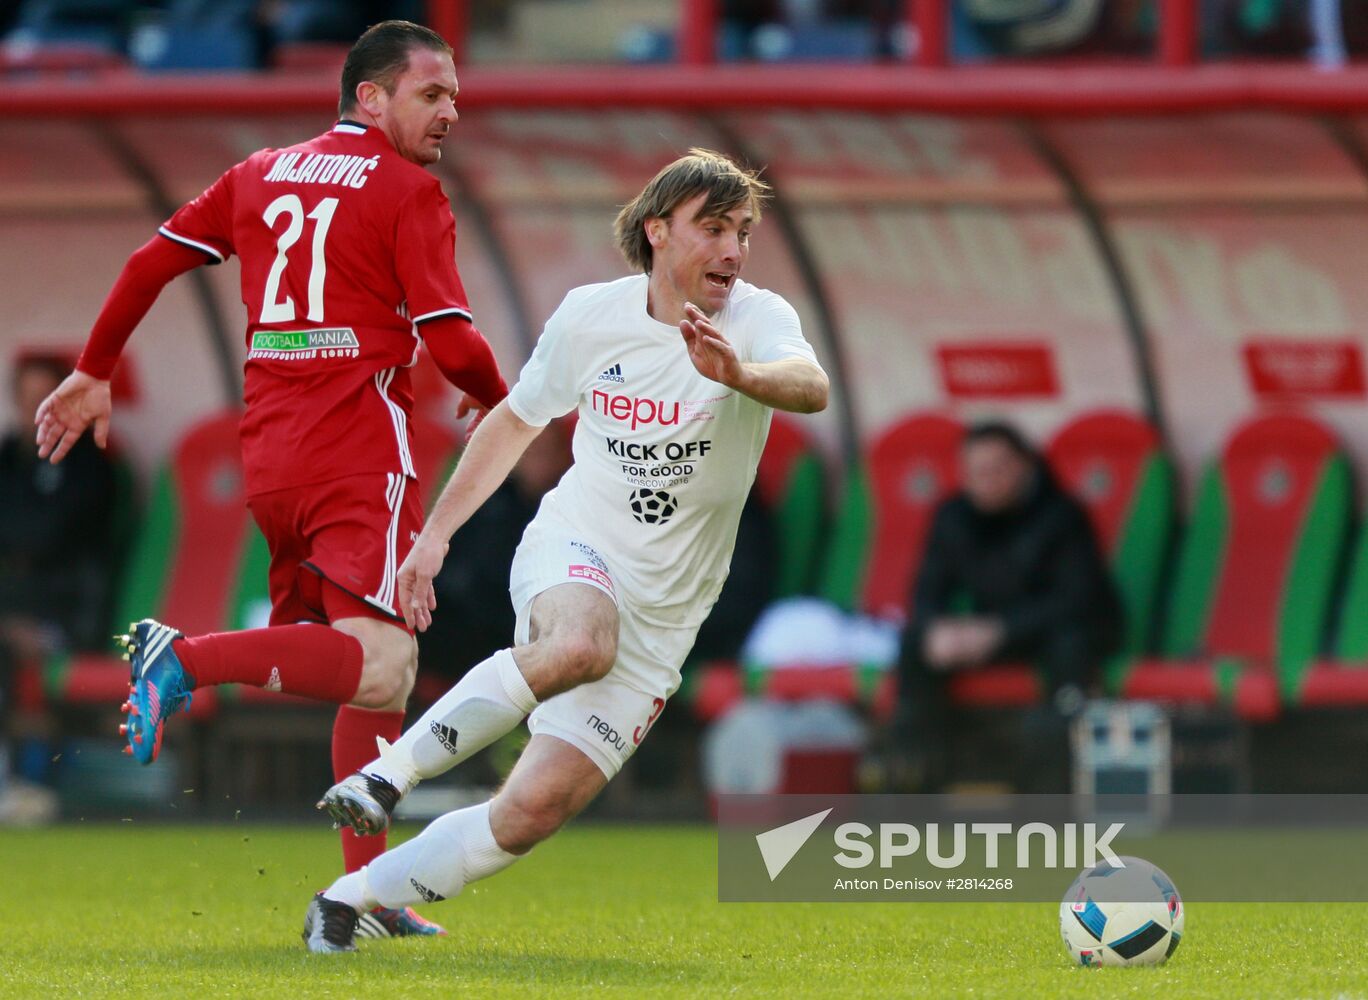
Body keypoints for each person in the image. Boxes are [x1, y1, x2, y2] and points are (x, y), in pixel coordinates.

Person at [33, 20, 508, 938]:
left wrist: (93, 369)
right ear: (369, 96)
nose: (452, 110)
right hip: (357, 450)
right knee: (387, 658)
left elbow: (150, 261)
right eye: (432, 93)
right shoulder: (408, 191)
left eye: (455, 94)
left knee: (369, 678)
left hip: (273, 457)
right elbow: (450, 338)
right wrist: (503, 399)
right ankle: (188, 660)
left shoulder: (257, 173)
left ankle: (360, 898)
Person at [301, 148, 829, 952]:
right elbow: (515, 420)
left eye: (744, 232)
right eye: (714, 228)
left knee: (529, 813)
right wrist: (433, 537)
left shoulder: (754, 321)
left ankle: (350, 898)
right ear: (658, 231)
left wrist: (742, 375)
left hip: (667, 616)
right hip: (577, 547)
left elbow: (810, 386)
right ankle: (385, 777)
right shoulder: (590, 315)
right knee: (581, 642)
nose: (733, 250)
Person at [894, 420, 1122, 792]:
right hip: (994, 635)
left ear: (1025, 466)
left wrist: (1000, 630)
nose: (986, 480)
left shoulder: (1062, 514)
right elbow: (927, 590)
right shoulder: (953, 516)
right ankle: (916, 783)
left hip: (1052, 633)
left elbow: (1079, 600)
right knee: (915, 642)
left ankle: (1050, 794)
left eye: (996, 469)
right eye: (975, 471)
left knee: (1070, 645)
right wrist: (939, 628)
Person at [0, 354, 120, 825]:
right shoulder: (8, 457)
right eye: (27, 400)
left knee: (12, 650)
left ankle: (28, 784)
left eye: (45, 400)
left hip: (66, 616)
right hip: (9, 608)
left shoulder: (91, 464)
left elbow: (48, 536)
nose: (37, 412)